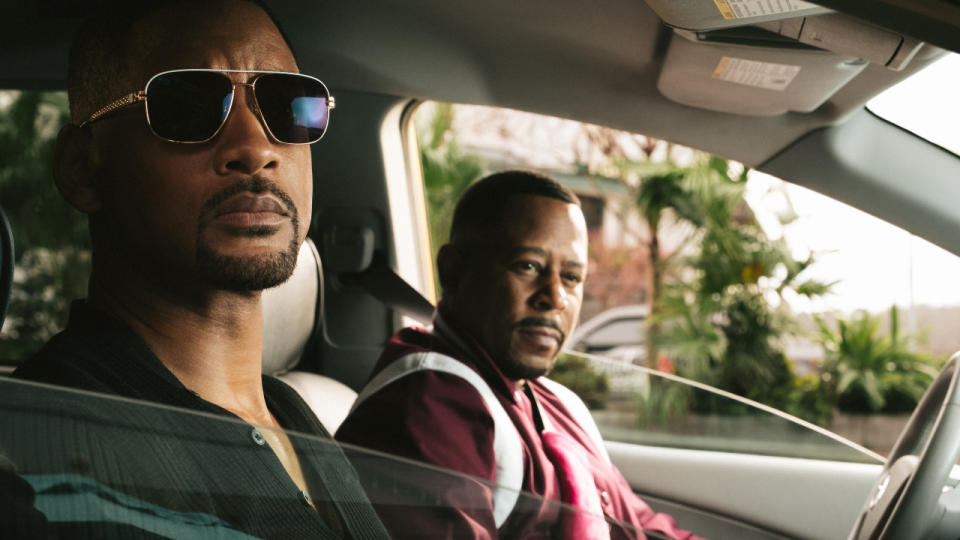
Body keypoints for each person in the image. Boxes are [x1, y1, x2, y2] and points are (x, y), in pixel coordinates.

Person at [9, 1, 387, 538]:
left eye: (287, 105)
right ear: (83, 168)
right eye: (187, 106)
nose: (256, 149)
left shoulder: (293, 414)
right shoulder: (46, 445)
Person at [337, 170, 701, 539]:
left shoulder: (557, 402)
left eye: (572, 278)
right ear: (454, 271)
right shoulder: (426, 404)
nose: (555, 298)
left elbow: (641, 526)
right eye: (527, 266)